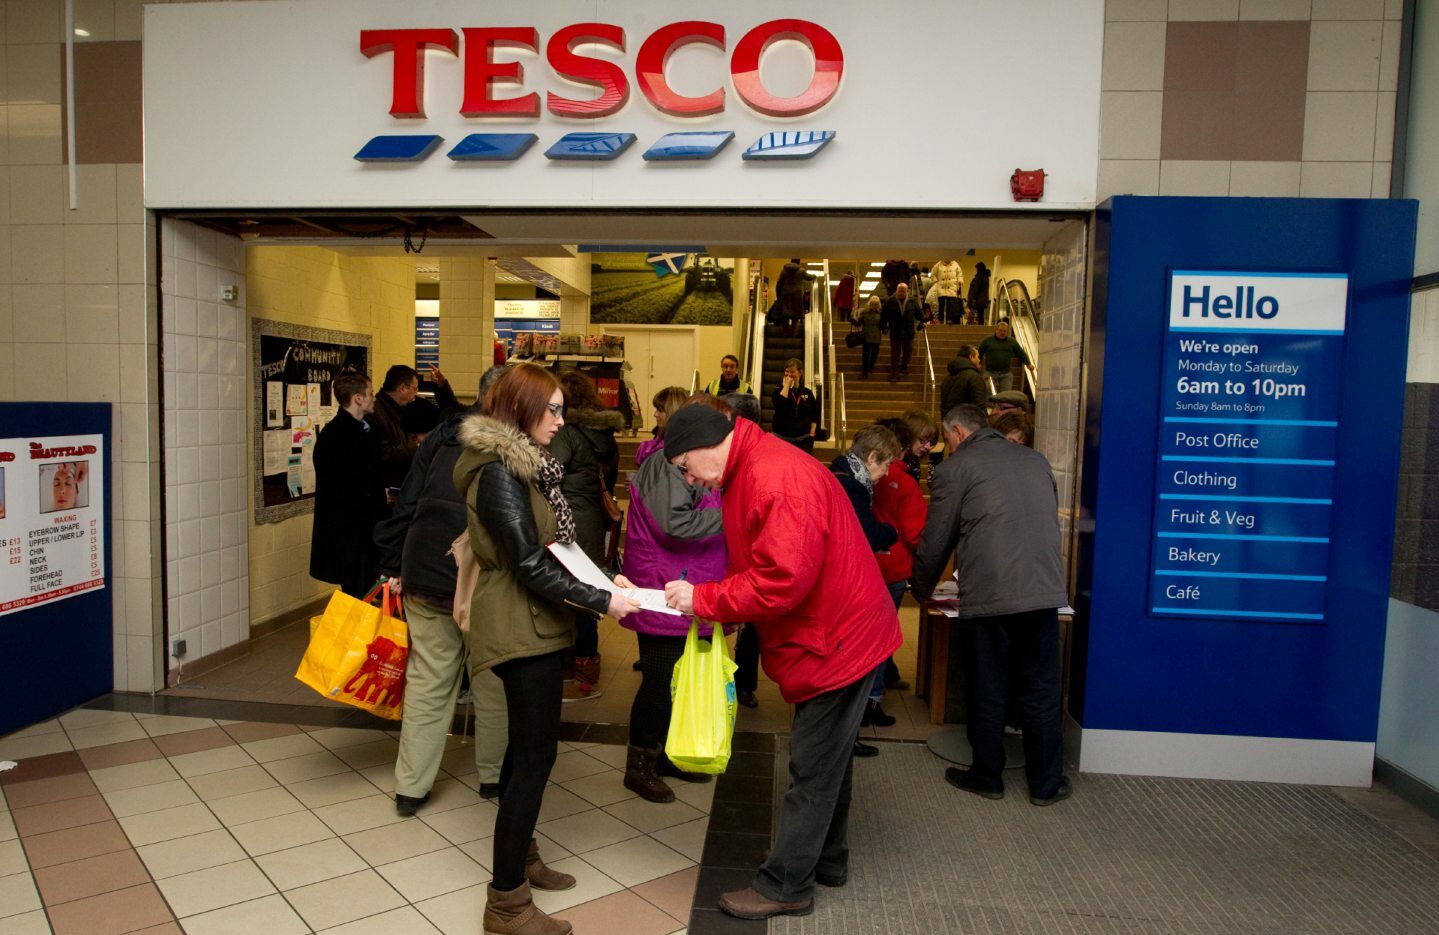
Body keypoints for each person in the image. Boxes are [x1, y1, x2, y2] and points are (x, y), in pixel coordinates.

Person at [661, 405, 901, 921]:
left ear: (707, 445)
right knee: (830, 759)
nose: (690, 480)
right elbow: (760, 563)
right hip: (837, 632)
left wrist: (705, 599)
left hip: (838, 639)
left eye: (685, 466)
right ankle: (826, 859)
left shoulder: (774, 477)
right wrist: (721, 609)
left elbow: (781, 580)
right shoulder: (753, 467)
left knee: (811, 766)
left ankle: (786, 883)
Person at [453, 362, 641, 935]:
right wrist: (603, 602)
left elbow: (560, 548)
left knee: (526, 754)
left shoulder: (525, 466)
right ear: (521, 408)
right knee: (535, 759)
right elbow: (530, 563)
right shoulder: (498, 472)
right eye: (552, 409)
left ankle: (522, 859)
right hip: (517, 625)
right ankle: (506, 903)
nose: (561, 420)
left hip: (532, 621)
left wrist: (605, 580)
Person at [910, 404, 1071, 808]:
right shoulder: (1036, 461)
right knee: (1041, 688)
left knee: (988, 686)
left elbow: (937, 538)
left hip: (991, 594)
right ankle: (1046, 784)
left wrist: (921, 588)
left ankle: (987, 776)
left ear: (960, 432)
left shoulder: (955, 469)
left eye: (948, 439)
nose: (948, 446)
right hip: (1043, 592)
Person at [374, 365, 510, 817]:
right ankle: (493, 776)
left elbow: (407, 501)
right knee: (491, 681)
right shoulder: (511, 446)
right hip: (481, 579)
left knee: (429, 680)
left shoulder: (441, 434)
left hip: (426, 569)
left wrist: (394, 562)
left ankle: (410, 787)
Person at [619, 387, 728, 802]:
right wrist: (732, 514)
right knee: (659, 682)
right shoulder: (664, 464)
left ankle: (662, 755)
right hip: (662, 592)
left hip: (679, 589)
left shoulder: (678, 463)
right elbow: (675, 525)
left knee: (674, 683)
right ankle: (639, 766)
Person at [549, 370, 625, 701]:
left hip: (565, 521)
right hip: (592, 521)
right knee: (587, 595)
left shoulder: (566, 433)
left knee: (562, 593)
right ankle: (586, 674)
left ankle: (564, 668)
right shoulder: (605, 435)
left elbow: (550, 472)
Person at [828, 425, 903, 755]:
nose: (885, 474)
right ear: (872, 457)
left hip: (836, 586)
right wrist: (890, 532)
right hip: (841, 590)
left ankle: (840, 738)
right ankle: (843, 741)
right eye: (885, 465)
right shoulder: (851, 486)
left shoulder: (841, 473)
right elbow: (867, 534)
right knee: (846, 669)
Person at [310, 372, 384, 598]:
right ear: (358, 399)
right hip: (350, 533)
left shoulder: (369, 429)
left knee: (370, 589)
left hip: (368, 529)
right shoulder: (334, 436)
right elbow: (339, 488)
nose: (374, 398)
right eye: (370, 393)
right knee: (356, 593)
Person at [874, 416, 929, 697]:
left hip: (867, 561)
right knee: (884, 632)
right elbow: (914, 531)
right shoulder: (904, 482)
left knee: (870, 629)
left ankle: (883, 678)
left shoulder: (865, 475)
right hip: (894, 565)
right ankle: (874, 694)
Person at [722, 391, 763, 710]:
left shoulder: (757, 464)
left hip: (747, 558)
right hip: (726, 552)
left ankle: (743, 683)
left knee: (751, 626)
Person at [370, 364, 423, 491]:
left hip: (402, 486)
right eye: (415, 388)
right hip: (386, 489)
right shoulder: (374, 413)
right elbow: (382, 454)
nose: (416, 393)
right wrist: (416, 446)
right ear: (403, 388)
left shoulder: (403, 410)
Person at [770, 358, 818, 453]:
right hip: (781, 438)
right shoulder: (778, 390)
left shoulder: (807, 392)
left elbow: (814, 414)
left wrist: (811, 434)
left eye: (792, 372)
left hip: (803, 439)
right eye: (787, 371)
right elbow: (780, 404)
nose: (789, 375)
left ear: (800, 373)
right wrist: (786, 386)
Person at [979, 319, 1032, 394]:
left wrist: (1028, 363)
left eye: (1005, 331)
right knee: (987, 391)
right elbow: (979, 353)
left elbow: (1021, 353)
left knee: (1006, 394)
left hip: (1005, 373)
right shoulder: (988, 340)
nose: (1002, 333)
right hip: (990, 372)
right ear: (996, 330)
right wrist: (978, 364)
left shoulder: (1011, 341)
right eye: (1000, 330)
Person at [881, 282, 921, 382]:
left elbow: (919, 314)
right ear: (897, 291)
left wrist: (923, 320)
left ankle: (904, 365)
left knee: (908, 351)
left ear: (907, 291)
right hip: (895, 330)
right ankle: (894, 373)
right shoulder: (890, 301)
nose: (901, 293)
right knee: (895, 353)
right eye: (900, 291)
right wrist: (883, 326)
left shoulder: (912, 301)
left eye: (903, 291)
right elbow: (884, 315)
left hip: (908, 331)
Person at [940, 344, 990, 416]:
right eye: (978, 357)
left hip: (949, 420)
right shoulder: (974, 378)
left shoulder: (947, 378)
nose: (979, 360)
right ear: (971, 357)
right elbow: (979, 407)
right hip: (968, 421)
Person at [898, 408, 939, 483]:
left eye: (930, 442)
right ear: (910, 435)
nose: (928, 447)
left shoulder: (914, 459)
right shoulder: (894, 461)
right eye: (923, 440)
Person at [773, 258, 809, 335]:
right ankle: (793, 332)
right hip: (797, 295)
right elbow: (809, 277)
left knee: (785, 314)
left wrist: (778, 296)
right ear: (799, 263)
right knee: (796, 314)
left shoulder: (784, 271)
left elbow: (779, 284)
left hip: (785, 294)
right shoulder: (802, 271)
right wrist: (814, 276)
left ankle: (785, 332)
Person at [856, 296, 883, 379]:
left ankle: (870, 366)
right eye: (873, 304)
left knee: (874, 354)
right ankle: (865, 370)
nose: (874, 305)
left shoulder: (881, 313)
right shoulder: (864, 312)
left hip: (876, 336)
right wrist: (854, 320)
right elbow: (859, 323)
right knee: (866, 354)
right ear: (870, 304)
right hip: (866, 335)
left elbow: (883, 324)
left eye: (876, 304)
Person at [930, 259, 964, 324]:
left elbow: (960, 275)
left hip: (952, 288)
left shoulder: (955, 264)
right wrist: (935, 282)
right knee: (941, 304)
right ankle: (941, 319)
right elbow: (933, 274)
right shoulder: (938, 265)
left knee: (951, 304)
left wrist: (959, 282)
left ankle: (949, 319)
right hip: (941, 288)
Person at [967, 261, 992, 325]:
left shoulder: (979, 277)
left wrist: (973, 299)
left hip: (978, 300)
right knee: (981, 316)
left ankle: (978, 327)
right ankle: (981, 327)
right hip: (983, 300)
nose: (976, 270)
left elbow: (976, 289)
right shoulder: (986, 277)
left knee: (977, 316)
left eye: (976, 268)